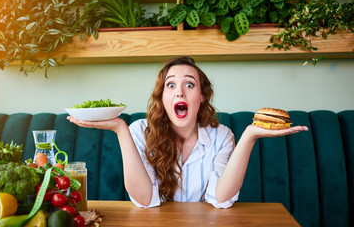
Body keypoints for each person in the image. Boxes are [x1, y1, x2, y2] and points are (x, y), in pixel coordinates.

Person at [67, 56, 308, 208]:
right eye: (170, 85)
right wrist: (120, 130)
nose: (179, 92)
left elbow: (221, 199)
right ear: (163, 97)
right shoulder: (138, 130)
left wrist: (249, 136)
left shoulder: (222, 136)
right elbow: (144, 200)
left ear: (202, 97)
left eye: (189, 84)